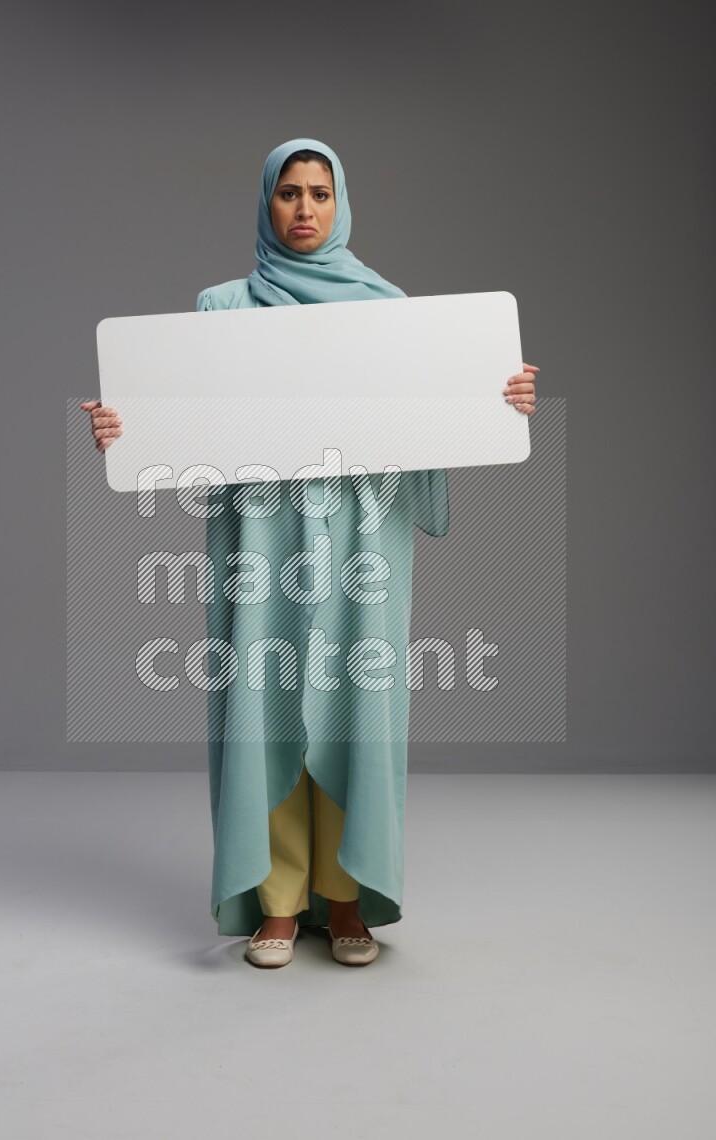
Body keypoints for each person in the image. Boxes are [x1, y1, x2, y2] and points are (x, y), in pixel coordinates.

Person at [81, 137, 538, 969]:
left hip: (364, 536)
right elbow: (184, 424)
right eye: (288, 193)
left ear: (340, 203)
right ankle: (279, 901)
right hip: (261, 537)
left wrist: (496, 399)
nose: (303, 209)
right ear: (266, 204)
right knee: (264, 705)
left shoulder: (390, 307)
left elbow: (430, 419)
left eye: (319, 194)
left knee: (354, 705)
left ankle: (345, 894)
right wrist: (123, 426)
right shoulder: (223, 309)